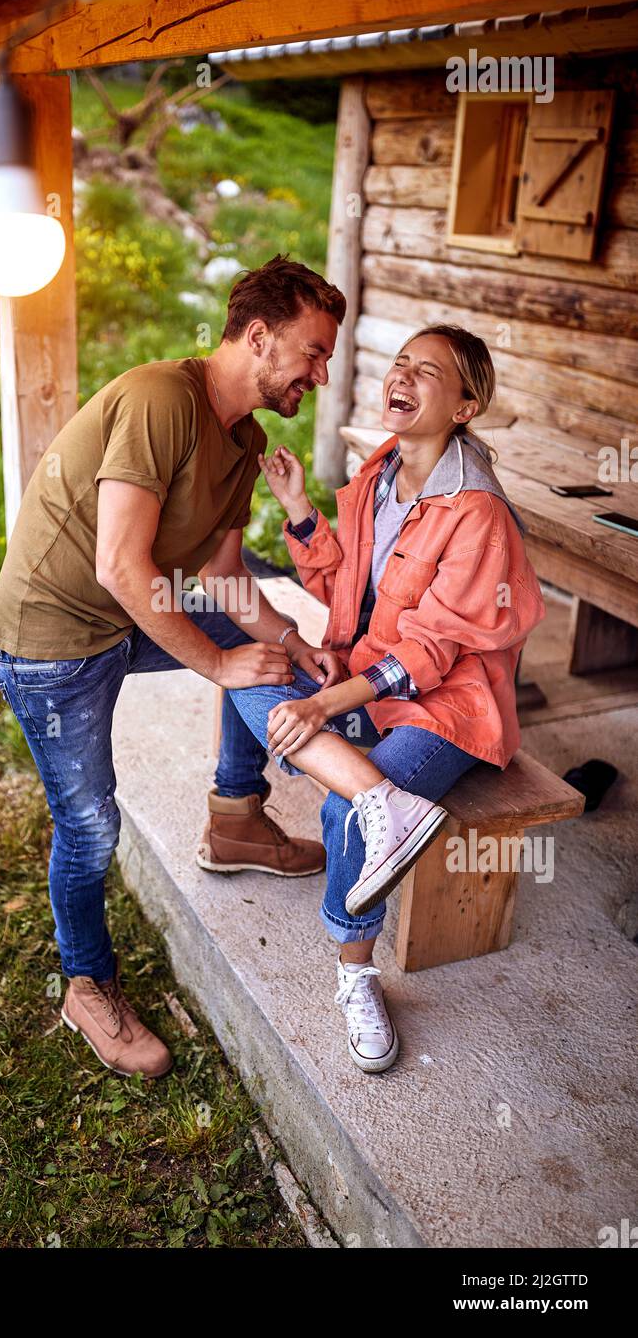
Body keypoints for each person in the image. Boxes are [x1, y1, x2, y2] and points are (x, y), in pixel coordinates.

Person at [0, 256, 355, 1079]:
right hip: (49, 644)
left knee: (258, 653)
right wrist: (218, 662)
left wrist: (289, 641)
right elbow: (121, 564)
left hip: (119, 624)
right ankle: (87, 985)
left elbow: (222, 577)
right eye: (314, 353)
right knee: (90, 824)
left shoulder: (245, 438)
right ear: (258, 337)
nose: (322, 375)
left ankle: (236, 816)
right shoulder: (160, 399)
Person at [226, 324, 547, 1073]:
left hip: (449, 706)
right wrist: (301, 512)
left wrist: (327, 704)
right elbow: (343, 594)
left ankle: (354, 968)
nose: (402, 376)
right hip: (365, 677)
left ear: (465, 407)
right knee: (245, 670)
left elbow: (433, 651)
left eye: (427, 372)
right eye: (400, 363)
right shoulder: (378, 476)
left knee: (345, 808)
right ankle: (352, 798)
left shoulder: (477, 512)